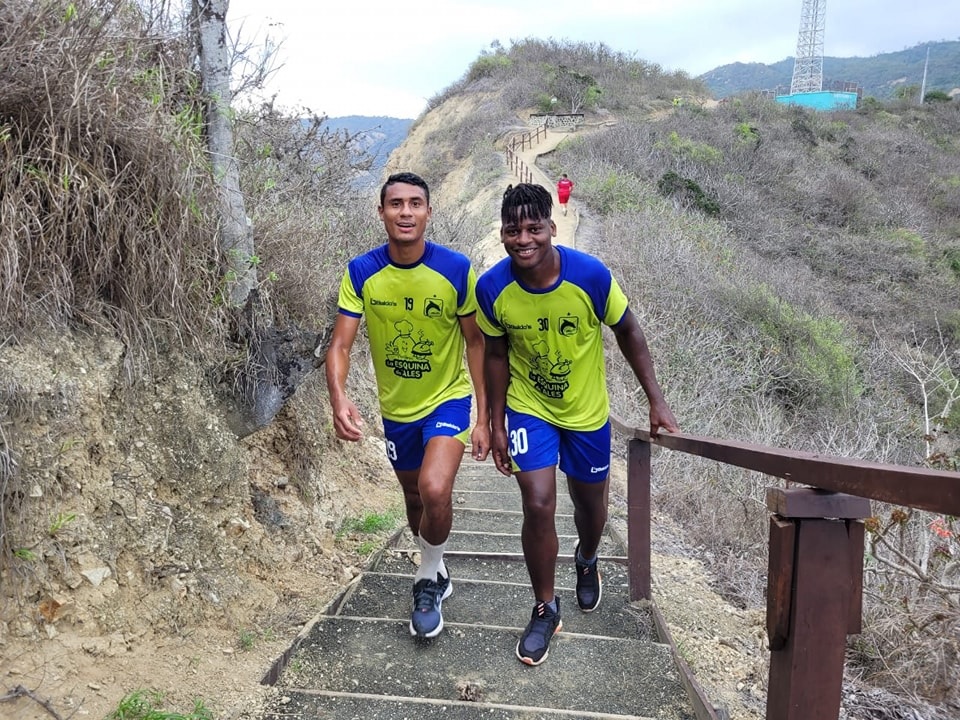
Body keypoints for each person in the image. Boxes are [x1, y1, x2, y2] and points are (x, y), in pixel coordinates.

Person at [476, 183, 679, 666]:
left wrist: (656, 399)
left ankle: (587, 557)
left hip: (587, 413)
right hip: (530, 409)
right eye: (513, 230)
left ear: (552, 227)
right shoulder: (491, 288)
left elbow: (628, 330)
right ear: (502, 233)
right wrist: (496, 421)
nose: (524, 239)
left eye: (534, 228)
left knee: (591, 508)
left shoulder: (589, 275)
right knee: (538, 502)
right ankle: (545, 608)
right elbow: (496, 354)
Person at [325, 171, 489, 639]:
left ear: (428, 212)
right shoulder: (362, 272)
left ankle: (426, 577)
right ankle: (438, 568)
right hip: (397, 409)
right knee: (414, 496)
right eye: (395, 203)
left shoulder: (456, 269)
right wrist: (339, 396)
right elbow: (340, 344)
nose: (405, 212)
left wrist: (483, 414)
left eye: (415, 203)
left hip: (448, 399)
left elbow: (475, 342)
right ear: (381, 212)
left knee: (435, 488)